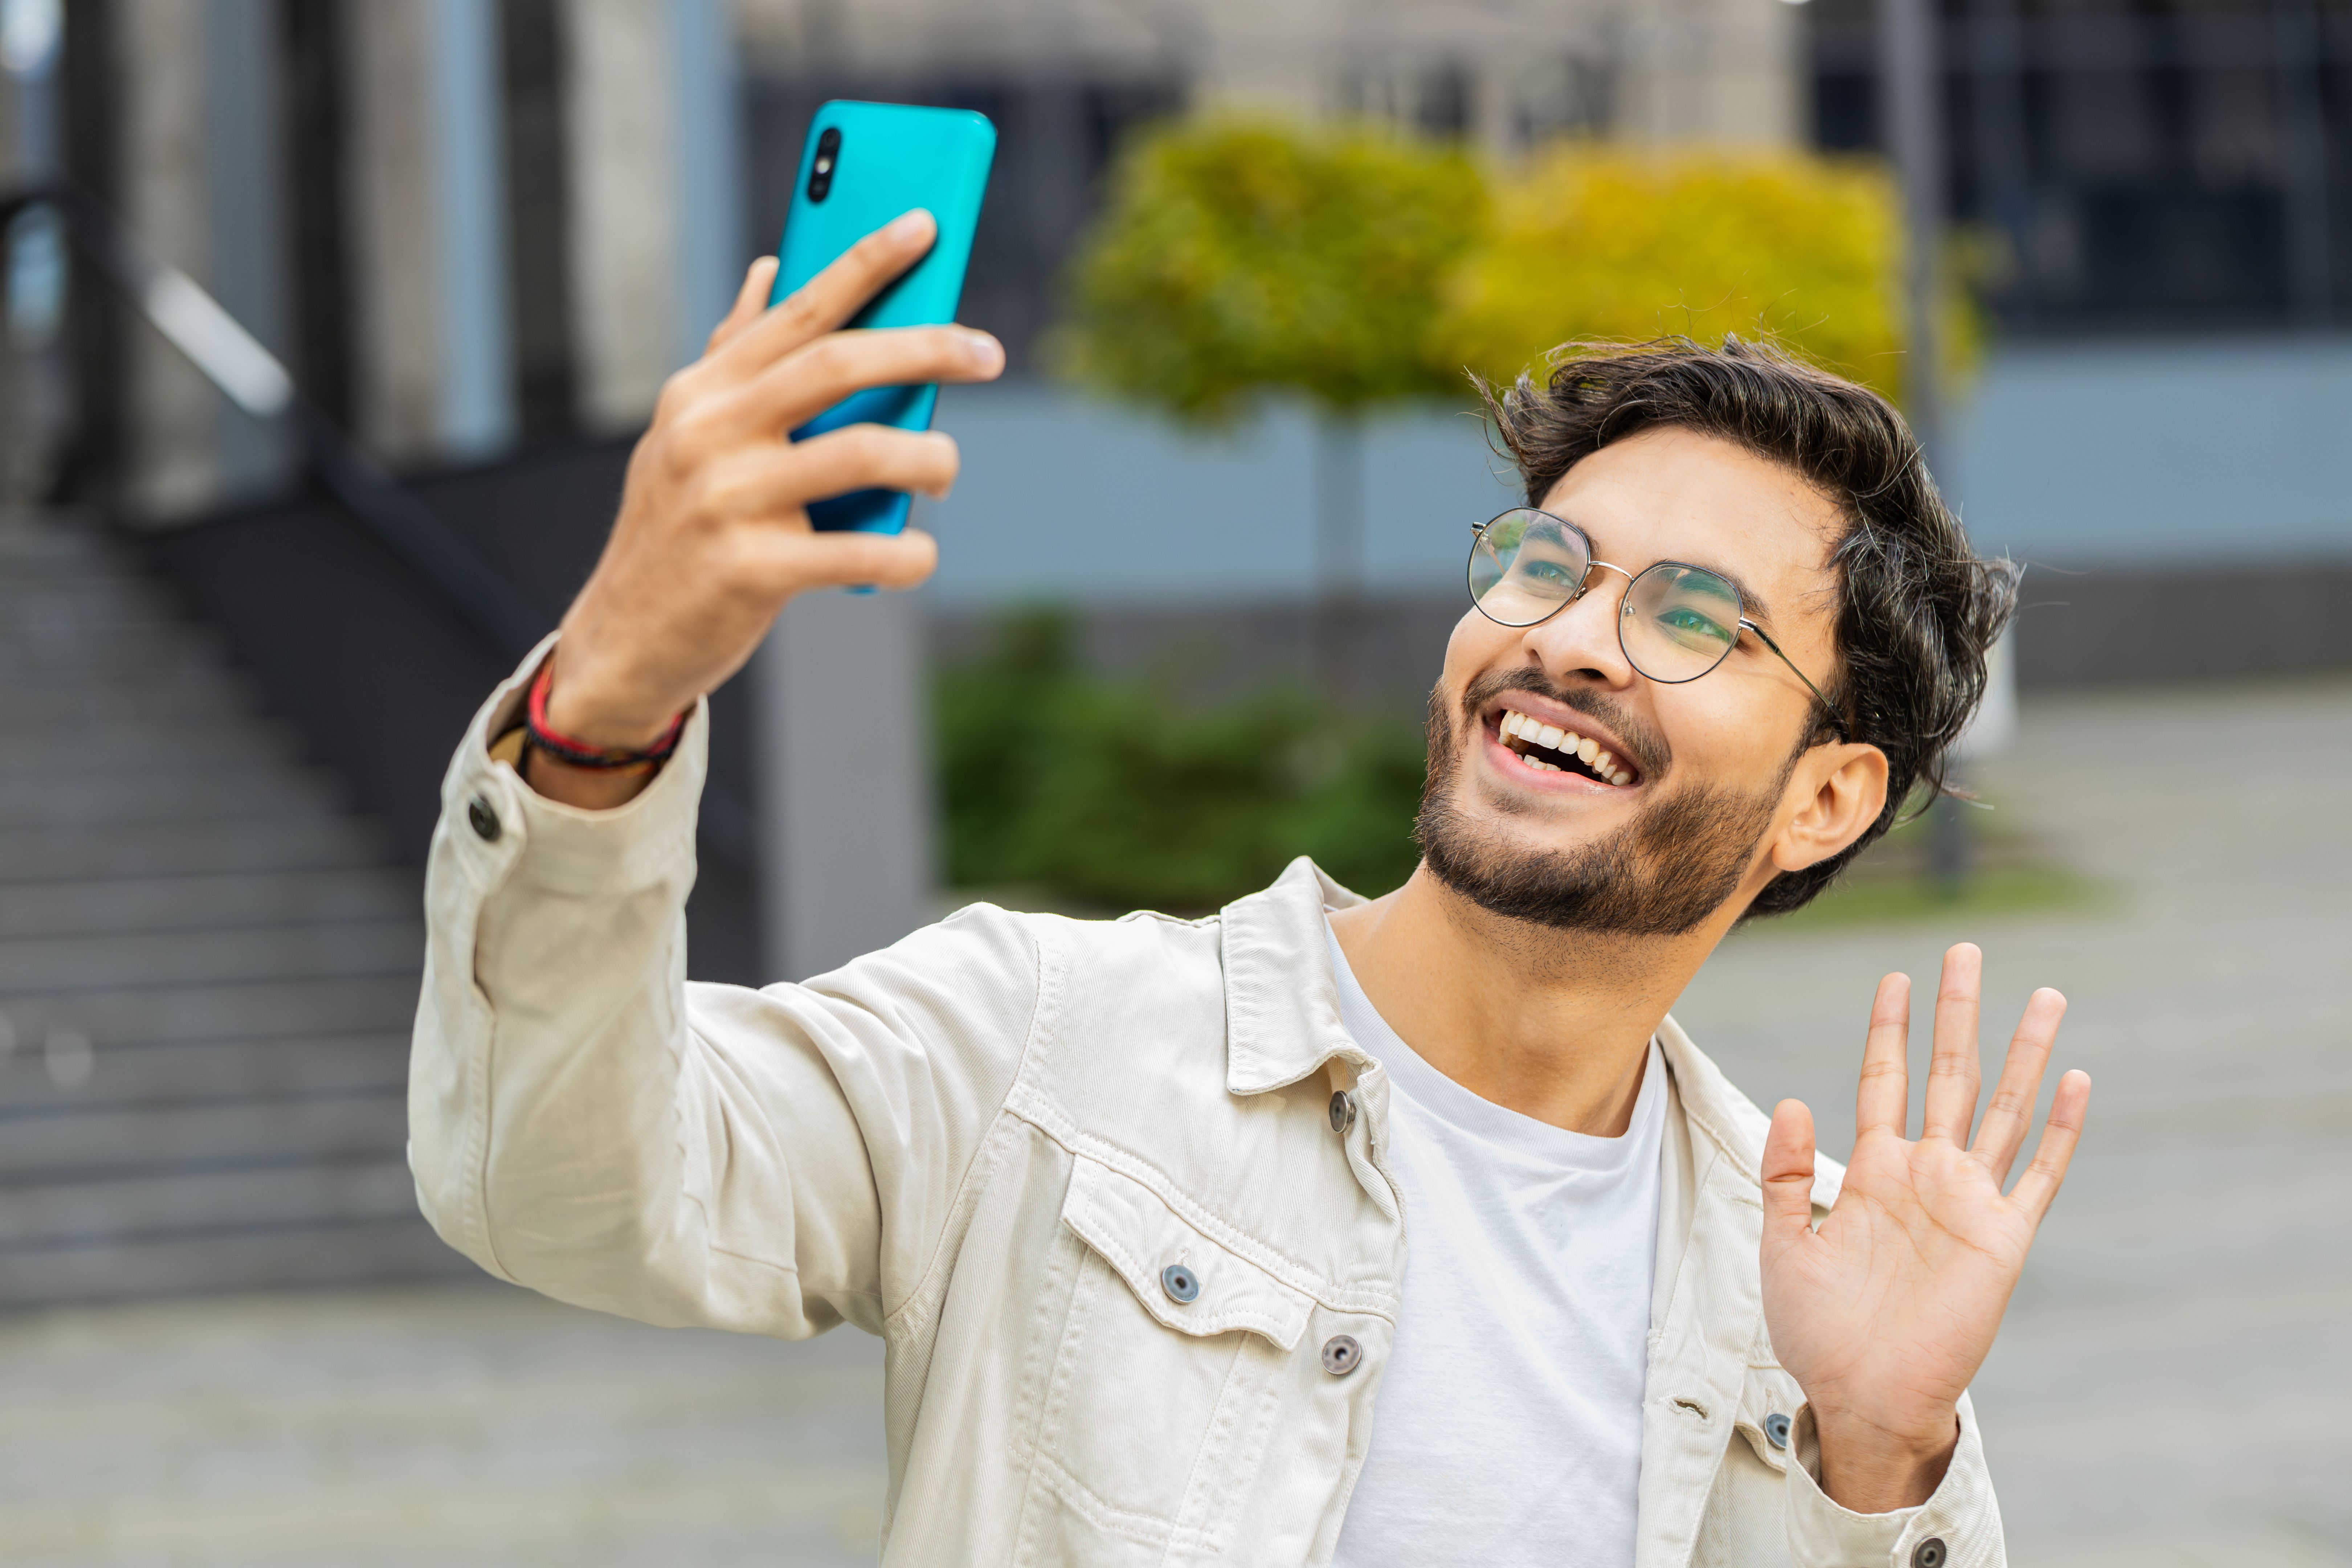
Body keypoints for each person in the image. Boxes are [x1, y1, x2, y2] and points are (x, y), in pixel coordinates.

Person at [409, 211, 2088, 1568]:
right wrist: (602, 716)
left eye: (1694, 617)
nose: (1569, 640)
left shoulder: (1802, 1303)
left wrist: (1877, 1462)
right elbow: (557, 1189)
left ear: (1828, 797)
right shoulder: (1045, 1048)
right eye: (1547, 566)